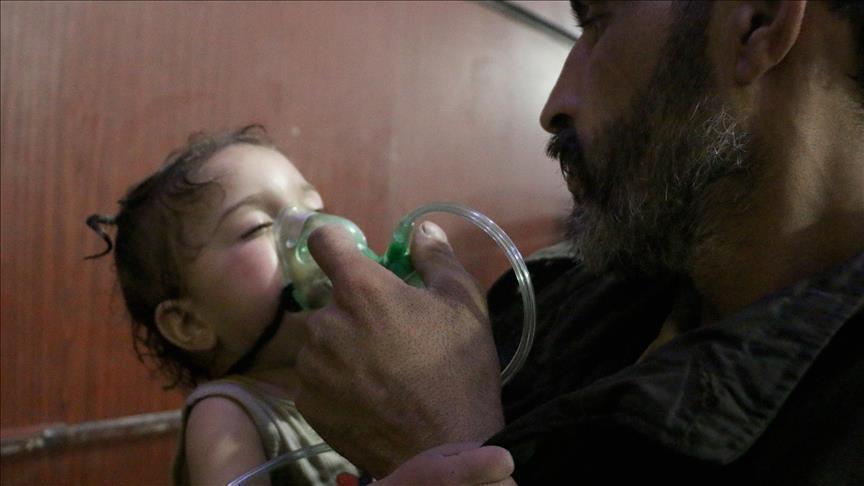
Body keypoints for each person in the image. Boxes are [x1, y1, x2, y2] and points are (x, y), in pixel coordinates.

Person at [282, 1, 863, 484]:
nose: (553, 106)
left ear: (759, 20)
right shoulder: (562, 296)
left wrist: (441, 447)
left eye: (597, 20)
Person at [85, 126, 516, 485]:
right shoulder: (227, 414)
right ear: (188, 322)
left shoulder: (361, 386)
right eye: (258, 226)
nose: (316, 233)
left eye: (313, 208)